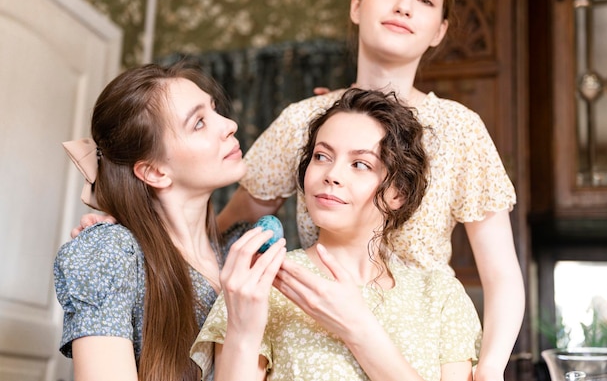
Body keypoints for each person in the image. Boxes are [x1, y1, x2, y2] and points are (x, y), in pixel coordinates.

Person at [215, 0, 524, 380]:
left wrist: (490, 368)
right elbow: (226, 226)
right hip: (314, 326)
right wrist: (135, 219)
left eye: (425, 0)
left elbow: (502, 274)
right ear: (357, 6)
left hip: (427, 338)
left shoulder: (459, 128)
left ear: (439, 30)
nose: (403, 7)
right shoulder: (305, 120)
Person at [191, 87, 482, 381]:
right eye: (321, 156)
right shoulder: (260, 284)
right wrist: (242, 332)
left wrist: (358, 329)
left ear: (399, 193)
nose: (331, 174)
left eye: (360, 164)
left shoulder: (441, 296)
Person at [53, 62, 286, 381]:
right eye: (199, 123)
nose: (230, 124)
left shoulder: (242, 252)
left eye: (214, 110)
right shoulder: (112, 255)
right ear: (154, 172)